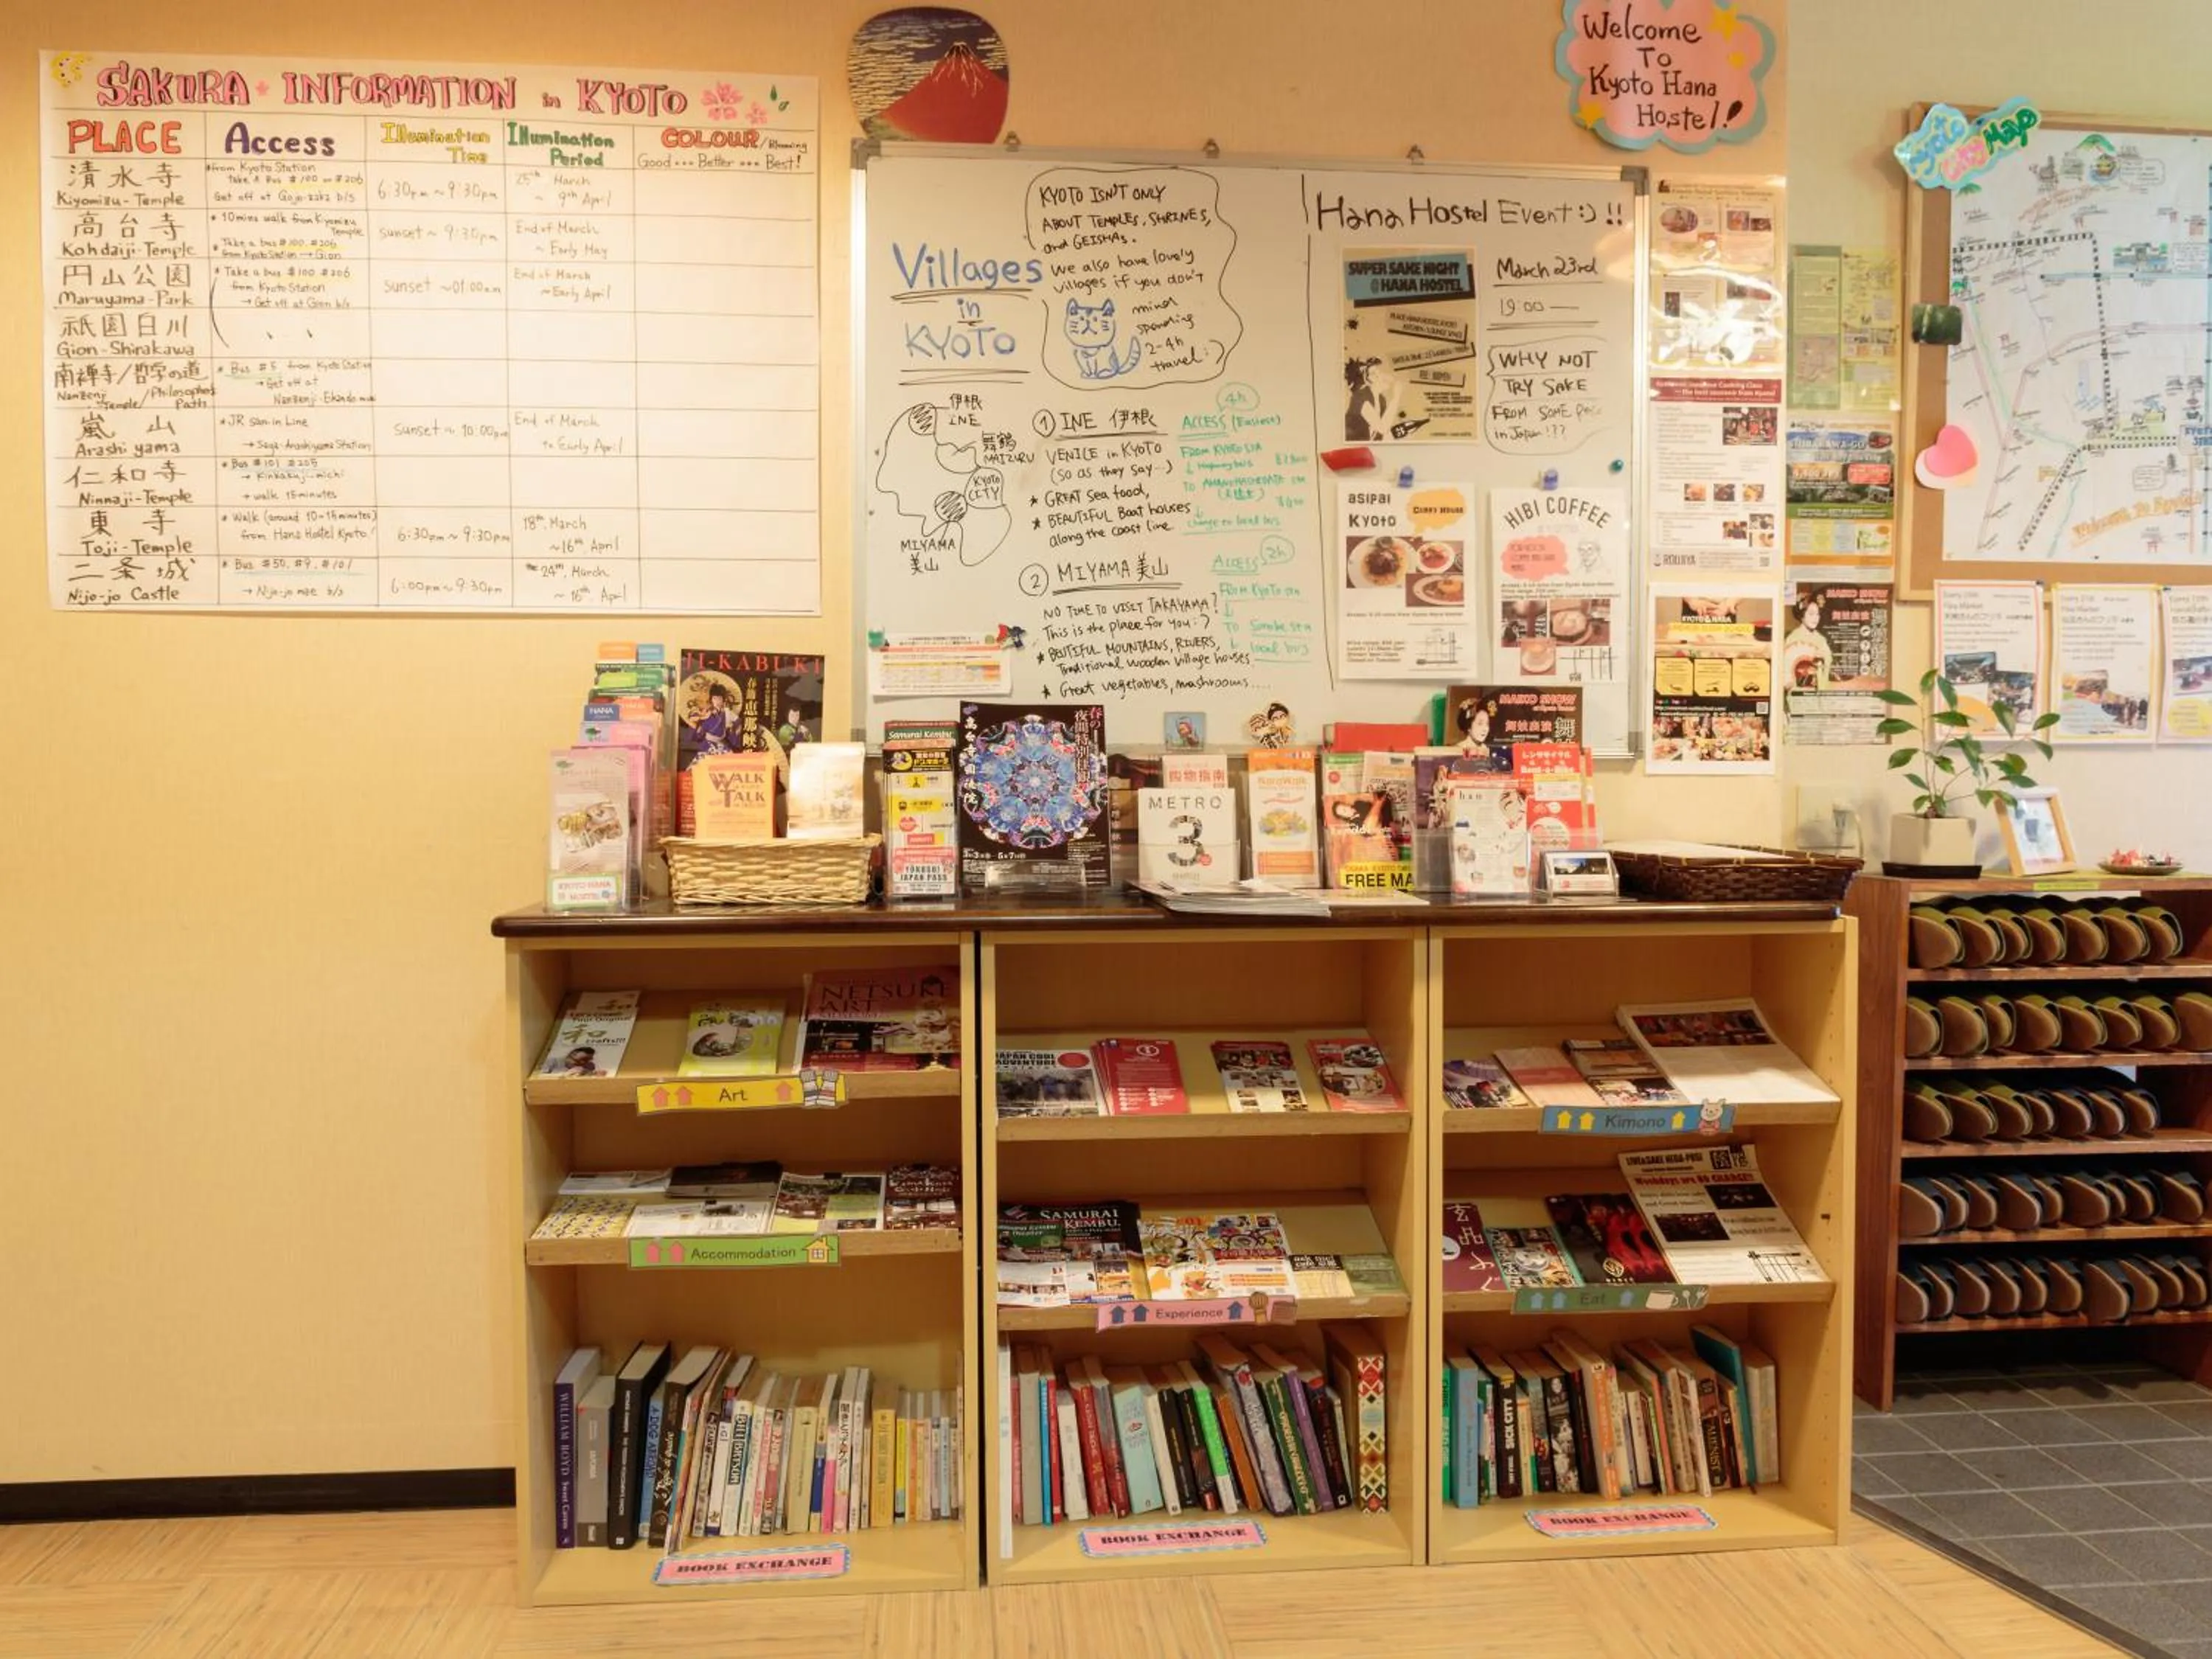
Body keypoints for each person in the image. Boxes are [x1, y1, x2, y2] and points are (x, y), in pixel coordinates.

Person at [1780, 594, 1834, 691]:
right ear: (1802, 615)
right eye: (1811, 614)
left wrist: (1824, 660)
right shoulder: (1793, 638)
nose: (1815, 618)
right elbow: (1786, 671)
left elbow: (1828, 665)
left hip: (1820, 689)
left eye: (1818, 614)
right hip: (1799, 691)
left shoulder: (1821, 639)